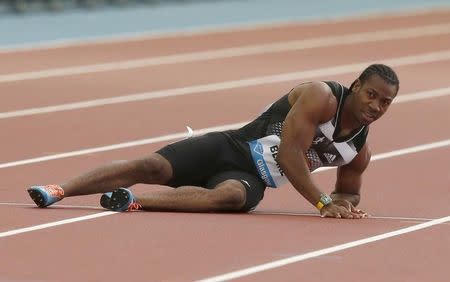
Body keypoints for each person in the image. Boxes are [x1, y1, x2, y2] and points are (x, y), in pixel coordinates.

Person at [27, 64, 399, 219]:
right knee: (152, 166)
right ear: (356, 88)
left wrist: (344, 204)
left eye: (385, 102)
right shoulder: (322, 97)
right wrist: (320, 202)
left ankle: (133, 200)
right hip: (230, 147)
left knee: (232, 197)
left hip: (251, 179)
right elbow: (289, 154)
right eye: (371, 95)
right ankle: (60, 189)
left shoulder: (357, 151)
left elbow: (349, 192)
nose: (376, 106)